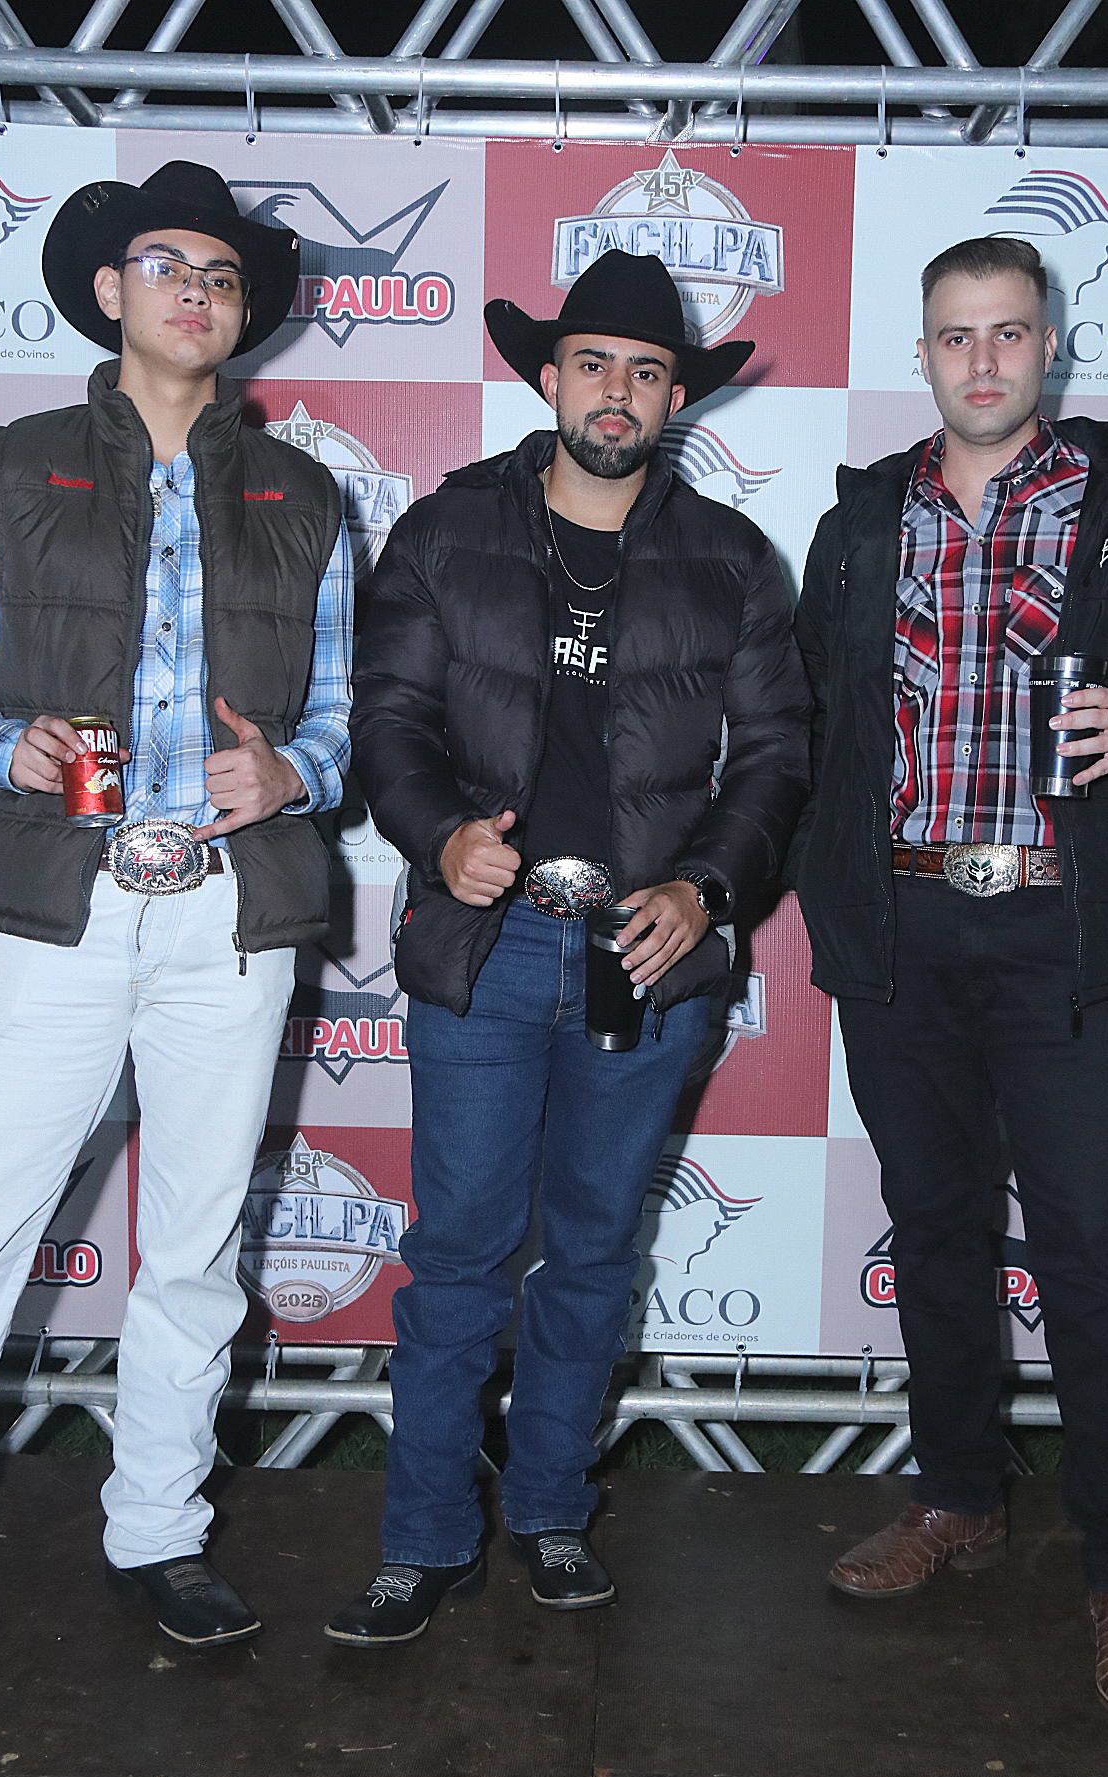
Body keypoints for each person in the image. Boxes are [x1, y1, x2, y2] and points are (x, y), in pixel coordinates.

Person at [792, 235, 1108, 1722]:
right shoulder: (866, 517)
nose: (982, 360)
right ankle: (957, 1496)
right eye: (955, 336)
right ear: (923, 354)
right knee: (933, 1227)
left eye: (1007, 333)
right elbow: (807, 709)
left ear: (1050, 344)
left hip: (1064, 929)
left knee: (1092, 1253)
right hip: (904, 926)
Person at [329, 249, 809, 1644]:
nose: (618, 391)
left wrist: (706, 890)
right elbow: (386, 719)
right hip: (485, 944)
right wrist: (439, 838)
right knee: (459, 1257)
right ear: (548, 378)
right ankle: (422, 1540)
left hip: (641, 956)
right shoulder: (447, 528)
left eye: (646, 373)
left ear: (675, 399)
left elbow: (778, 756)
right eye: (594, 363)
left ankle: (549, 1513)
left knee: (594, 1253)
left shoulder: (732, 556)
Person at [0, 163, 353, 1647]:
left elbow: (344, 710)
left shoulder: (304, 494)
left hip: (224, 916)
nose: (195, 290)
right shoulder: (14, 464)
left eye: (222, 275)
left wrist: (298, 773)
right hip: (53, 905)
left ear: (243, 314)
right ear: (107, 290)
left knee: (193, 1248)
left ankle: (159, 1533)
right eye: (166, 264)